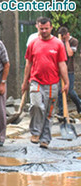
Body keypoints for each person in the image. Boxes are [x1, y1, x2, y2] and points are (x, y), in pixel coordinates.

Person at [21, 17, 68, 149]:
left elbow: (62, 64)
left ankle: (45, 139)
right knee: (36, 105)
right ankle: (35, 133)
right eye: (41, 29)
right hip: (36, 81)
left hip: (53, 84)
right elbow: (28, 64)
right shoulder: (33, 43)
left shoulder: (58, 44)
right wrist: (25, 82)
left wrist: (67, 82)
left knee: (49, 113)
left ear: (51, 28)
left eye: (46, 28)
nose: (44, 31)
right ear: (37, 27)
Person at [57, 26, 81, 115]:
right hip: (59, 70)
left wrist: (66, 41)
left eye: (64, 38)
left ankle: (79, 105)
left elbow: (70, 53)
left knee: (70, 91)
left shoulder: (74, 41)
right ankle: (61, 111)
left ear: (67, 35)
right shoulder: (58, 41)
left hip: (69, 70)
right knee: (60, 91)